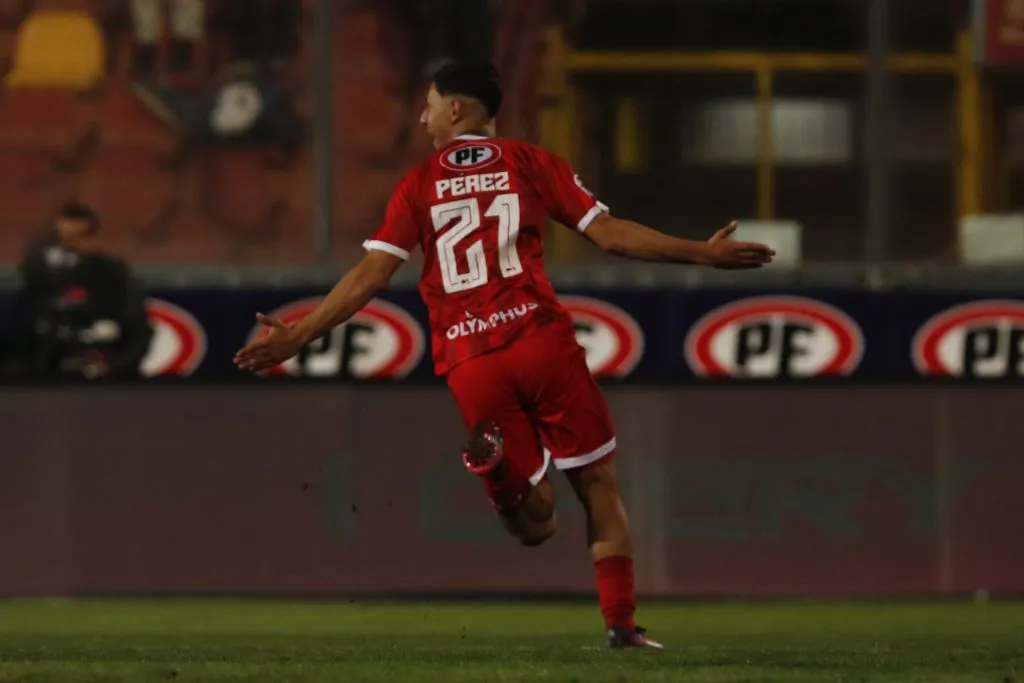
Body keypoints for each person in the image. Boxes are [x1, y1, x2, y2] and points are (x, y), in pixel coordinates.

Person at [233, 62, 774, 648]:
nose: (422, 116)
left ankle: (495, 475)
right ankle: (621, 628)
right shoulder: (531, 162)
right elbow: (611, 235)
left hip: (470, 360)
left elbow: (371, 274)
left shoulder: (418, 184)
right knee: (596, 484)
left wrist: (301, 333)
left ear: (457, 111)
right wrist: (702, 253)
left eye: (430, 104)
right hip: (541, 342)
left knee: (534, 524)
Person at [1, 203, 152, 380]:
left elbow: (137, 333)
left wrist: (116, 368)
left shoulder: (113, 275)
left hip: (100, 373)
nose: (72, 247)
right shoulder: (36, 282)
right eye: (64, 240)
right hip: (46, 376)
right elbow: (20, 335)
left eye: (78, 238)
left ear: (93, 237)